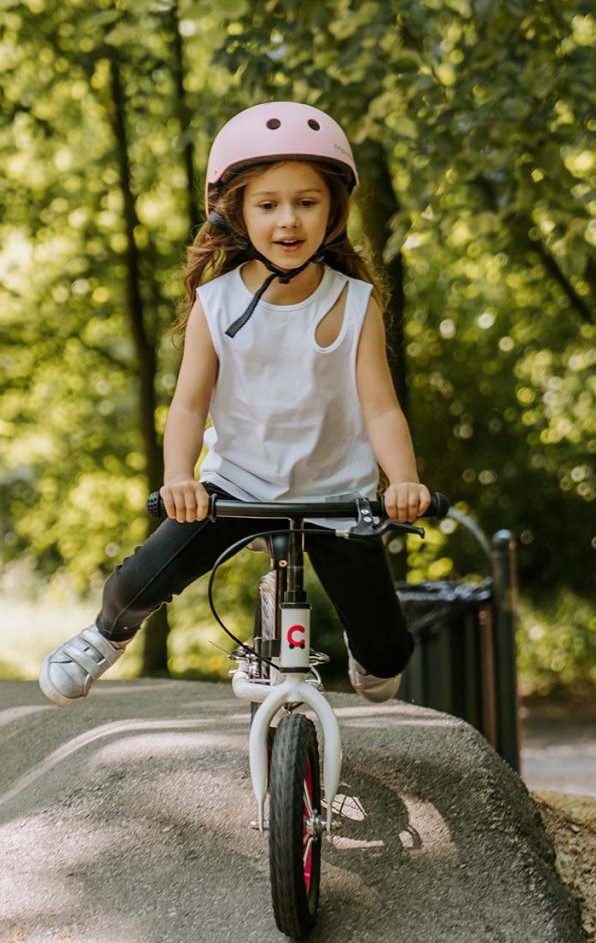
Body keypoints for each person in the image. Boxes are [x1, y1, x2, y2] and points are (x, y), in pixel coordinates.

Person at [40, 101, 431, 708]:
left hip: (336, 497)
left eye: (306, 202)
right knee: (137, 581)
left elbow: (381, 409)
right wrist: (178, 478)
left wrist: (402, 480)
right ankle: (102, 637)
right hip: (237, 491)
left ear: (332, 212)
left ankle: (364, 641)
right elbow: (191, 405)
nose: (288, 220)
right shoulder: (216, 302)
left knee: (385, 660)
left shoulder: (356, 302)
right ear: (237, 214)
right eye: (267, 204)